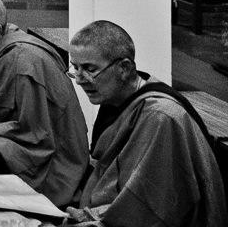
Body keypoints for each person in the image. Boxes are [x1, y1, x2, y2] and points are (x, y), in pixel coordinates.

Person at [66, 20, 227, 227]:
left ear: (124, 68)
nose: (79, 79)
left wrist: (91, 217)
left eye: (89, 69)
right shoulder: (114, 99)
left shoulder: (161, 117)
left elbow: (152, 204)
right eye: (76, 68)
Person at [0, 0, 88, 207]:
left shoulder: (23, 61)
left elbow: (34, 132)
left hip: (49, 157)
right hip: (22, 136)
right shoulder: (2, 45)